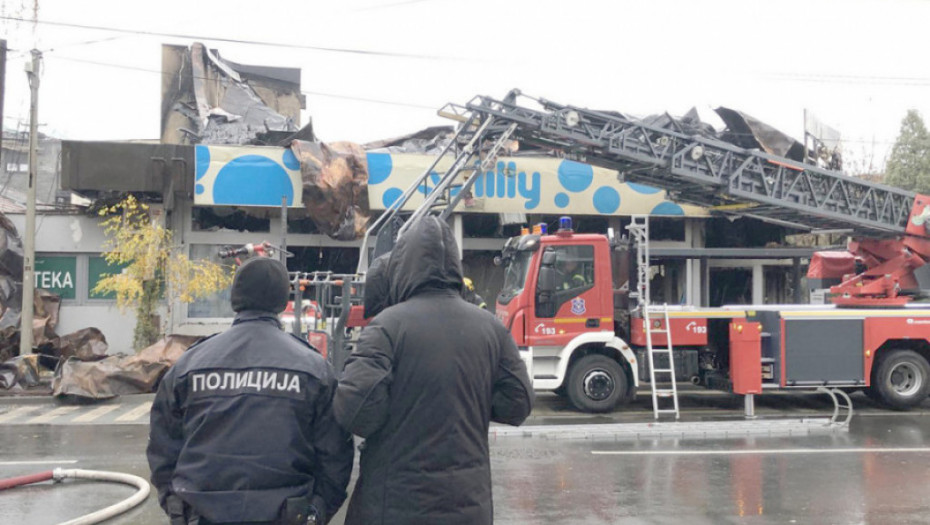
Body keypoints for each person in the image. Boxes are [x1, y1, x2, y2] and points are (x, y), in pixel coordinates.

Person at [334, 216, 534, 525]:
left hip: (394, 506)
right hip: (469, 507)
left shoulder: (386, 326)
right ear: (455, 264)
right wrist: (469, 397)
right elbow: (518, 403)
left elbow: (357, 412)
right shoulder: (491, 329)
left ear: (402, 265)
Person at [147, 257, 354, 525]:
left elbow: (163, 448)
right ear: (282, 301)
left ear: (235, 298)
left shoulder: (190, 364)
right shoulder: (313, 368)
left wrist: (178, 509)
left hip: (201, 514)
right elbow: (335, 456)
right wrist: (316, 511)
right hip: (288, 514)